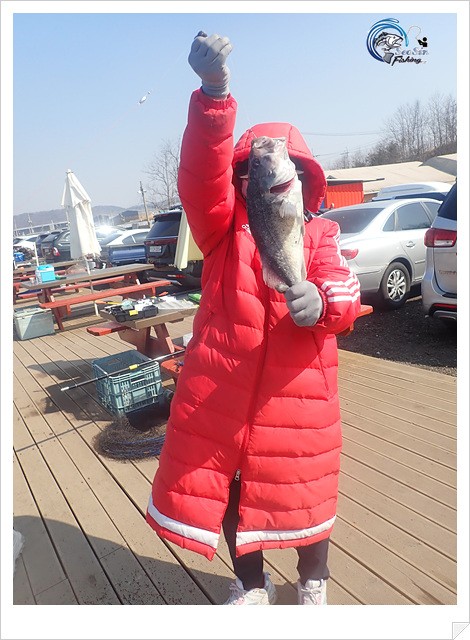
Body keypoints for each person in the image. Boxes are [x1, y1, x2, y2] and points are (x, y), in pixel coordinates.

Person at [146, 32, 361, 606]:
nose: (255, 175)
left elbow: (345, 289)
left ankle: (313, 581)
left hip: (299, 398)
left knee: (305, 492)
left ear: (301, 177)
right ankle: (250, 585)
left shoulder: (321, 232)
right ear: (239, 179)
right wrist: (214, 95)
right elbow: (200, 178)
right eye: (246, 169)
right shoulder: (220, 230)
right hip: (222, 395)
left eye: (271, 163)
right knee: (231, 490)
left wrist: (323, 300)